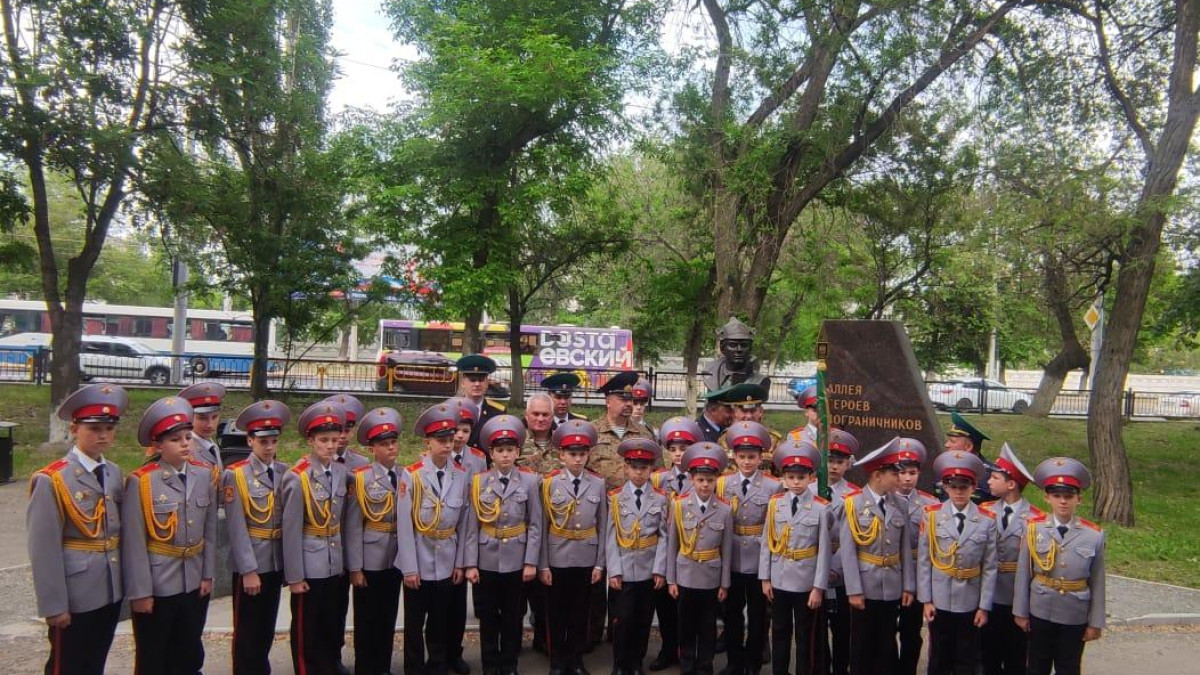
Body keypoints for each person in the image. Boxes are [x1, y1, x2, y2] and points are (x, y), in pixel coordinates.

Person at [28, 384, 128, 675]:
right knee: (67, 665)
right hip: (75, 593)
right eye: (94, 428)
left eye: (109, 429)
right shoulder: (52, 479)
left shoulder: (113, 472)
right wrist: (54, 605)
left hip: (108, 588)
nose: (103, 435)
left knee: (95, 662)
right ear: (74, 429)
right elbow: (43, 549)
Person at [123, 396, 218, 675]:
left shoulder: (204, 475)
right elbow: (134, 543)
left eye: (187, 437)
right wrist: (141, 591)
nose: (185, 444)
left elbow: (210, 530)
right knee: (153, 654)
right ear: (158, 445)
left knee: (189, 651)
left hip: (194, 578)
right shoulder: (142, 481)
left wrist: (207, 574)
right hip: (159, 582)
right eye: (176, 440)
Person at [396, 403, 472, 675]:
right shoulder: (412, 474)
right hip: (419, 557)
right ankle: (414, 667)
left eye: (450, 440)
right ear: (428, 442)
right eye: (441, 440)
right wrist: (409, 568)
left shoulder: (460, 475)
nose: (448, 445)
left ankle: (437, 664)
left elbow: (464, 523)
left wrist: (460, 563)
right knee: (415, 622)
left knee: (441, 619)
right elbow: (404, 525)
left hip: (447, 559)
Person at [463, 415, 543, 675]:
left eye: (510, 450)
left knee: (512, 616)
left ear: (518, 452)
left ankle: (509, 665)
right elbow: (472, 526)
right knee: (487, 616)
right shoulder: (479, 482)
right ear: (491, 453)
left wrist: (531, 562)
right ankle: (490, 665)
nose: (505, 455)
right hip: (486, 558)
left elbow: (535, 524)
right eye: (500, 450)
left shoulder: (530, 481)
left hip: (517, 559)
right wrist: (470, 564)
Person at [1013, 458, 1105, 675]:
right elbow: (1023, 573)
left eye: (1069, 496)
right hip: (1040, 608)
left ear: (1078, 499)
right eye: (1057, 496)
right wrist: (1020, 611)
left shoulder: (1093, 535)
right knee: (1037, 666)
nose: (1063, 501)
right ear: (1047, 498)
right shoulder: (1033, 529)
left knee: (1069, 667)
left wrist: (1095, 622)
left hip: (1074, 612)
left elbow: (1098, 580)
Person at [222, 400, 292, 675]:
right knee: (247, 631)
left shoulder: (284, 472)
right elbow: (236, 527)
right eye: (263, 441)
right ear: (250, 440)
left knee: (266, 628)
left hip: (275, 562)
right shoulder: (236, 475)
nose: (269, 447)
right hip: (252, 562)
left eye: (274, 441)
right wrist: (248, 571)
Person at [281, 401, 351, 675]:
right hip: (309, 563)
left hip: (333, 562)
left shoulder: (341, 472)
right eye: (324, 440)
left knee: (328, 624)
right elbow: (291, 530)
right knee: (306, 628)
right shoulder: (297, 477)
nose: (330, 446)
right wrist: (295, 576)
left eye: (334, 440)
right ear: (311, 441)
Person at [918, 450, 998, 675]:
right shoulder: (931, 515)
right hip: (940, 597)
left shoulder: (986, 520)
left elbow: (989, 566)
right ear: (945, 487)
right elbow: (924, 561)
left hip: (970, 599)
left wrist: (984, 606)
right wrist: (926, 600)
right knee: (939, 656)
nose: (959, 492)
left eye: (964, 487)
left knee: (966, 657)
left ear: (974, 487)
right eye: (954, 487)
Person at [840, 437, 916, 675]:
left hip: (892, 584)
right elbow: (848, 552)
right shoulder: (852, 504)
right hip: (865, 584)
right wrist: (853, 590)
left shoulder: (899, 504)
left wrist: (908, 585)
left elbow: (904, 548)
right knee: (862, 643)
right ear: (877, 475)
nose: (900, 478)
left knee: (887, 643)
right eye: (894, 473)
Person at [539, 419, 607, 675]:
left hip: (586, 557)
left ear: (588, 455)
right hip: (557, 557)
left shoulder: (598, 483)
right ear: (561, 455)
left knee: (581, 613)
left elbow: (603, 525)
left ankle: (576, 660)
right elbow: (542, 525)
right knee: (556, 614)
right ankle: (557, 662)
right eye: (572, 454)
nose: (577, 459)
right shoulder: (549, 483)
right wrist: (543, 565)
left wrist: (599, 564)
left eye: (582, 454)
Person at [716, 421, 783, 675]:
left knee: (758, 615)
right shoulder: (723, 484)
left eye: (751, 457)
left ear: (761, 457)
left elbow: (774, 527)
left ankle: (753, 663)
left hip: (758, 557)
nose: (746, 462)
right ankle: (734, 662)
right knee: (732, 613)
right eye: (742, 456)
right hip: (731, 556)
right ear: (734, 456)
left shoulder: (772, 486)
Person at [345, 407, 408, 675]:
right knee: (366, 618)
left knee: (388, 615)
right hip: (370, 557)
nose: (391, 448)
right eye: (384, 444)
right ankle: (365, 667)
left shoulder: (406, 475)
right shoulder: (360, 478)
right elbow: (353, 525)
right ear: (373, 449)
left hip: (396, 557)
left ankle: (382, 666)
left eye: (393, 442)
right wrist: (355, 567)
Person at [759, 439, 831, 675]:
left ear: (811, 477)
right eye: (791, 477)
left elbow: (823, 551)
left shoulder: (821, 508)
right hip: (779, 578)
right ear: (783, 478)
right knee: (780, 631)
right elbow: (767, 543)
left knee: (804, 635)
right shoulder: (775, 504)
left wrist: (818, 588)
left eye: (801, 477)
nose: (796, 482)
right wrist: (765, 578)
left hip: (805, 582)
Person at [665, 442, 733, 675]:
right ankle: (686, 664)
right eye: (700, 480)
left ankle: (705, 665)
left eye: (710, 480)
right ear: (691, 480)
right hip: (685, 574)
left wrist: (724, 584)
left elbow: (726, 549)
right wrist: (671, 580)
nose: (705, 485)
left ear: (716, 481)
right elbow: (672, 544)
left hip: (711, 576)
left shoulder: (725, 509)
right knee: (685, 624)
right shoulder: (679, 505)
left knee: (707, 625)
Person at [606, 437, 669, 675]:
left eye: (644, 467)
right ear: (626, 468)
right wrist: (614, 570)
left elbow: (664, 536)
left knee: (643, 620)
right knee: (622, 620)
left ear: (651, 469)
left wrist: (660, 569)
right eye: (634, 467)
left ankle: (636, 663)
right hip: (623, 569)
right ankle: (620, 664)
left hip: (648, 568)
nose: (639, 473)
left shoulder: (660, 498)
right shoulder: (615, 497)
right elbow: (611, 536)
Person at [647, 416, 703, 671]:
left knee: (690, 606)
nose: (679, 454)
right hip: (664, 549)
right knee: (665, 605)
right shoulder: (658, 479)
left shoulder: (702, 479)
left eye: (684, 448)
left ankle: (689, 652)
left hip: (692, 550)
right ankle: (668, 649)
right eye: (673, 449)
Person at [980, 443, 1040, 675]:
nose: (989, 482)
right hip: (989, 594)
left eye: (995, 478)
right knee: (988, 655)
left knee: (1016, 656)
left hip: (1018, 595)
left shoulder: (1035, 518)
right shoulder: (985, 511)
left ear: (1011, 484)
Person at [324, 394, 367, 675]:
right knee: (323, 610)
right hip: (321, 549)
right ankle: (322, 658)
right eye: (337, 429)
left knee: (342, 607)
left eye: (347, 428)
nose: (342, 435)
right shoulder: (308, 465)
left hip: (352, 548)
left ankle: (337, 655)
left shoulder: (361, 463)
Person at [446, 396, 489, 674]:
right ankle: (439, 653)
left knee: (459, 604)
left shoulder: (478, 459)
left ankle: (455, 651)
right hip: (443, 535)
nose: (459, 436)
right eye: (455, 430)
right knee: (441, 603)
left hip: (469, 534)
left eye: (465, 430)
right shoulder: (435, 456)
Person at [893, 438, 940, 675]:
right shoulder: (884, 500)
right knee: (886, 631)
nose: (907, 478)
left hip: (917, 573)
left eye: (912, 473)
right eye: (901, 473)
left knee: (911, 632)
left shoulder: (930, 505)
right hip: (890, 572)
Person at [817, 429, 860, 675]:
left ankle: (841, 669)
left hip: (842, 571)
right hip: (813, 570)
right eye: (830, 460)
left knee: (842, 628)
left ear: (848, 464)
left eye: (839, 462)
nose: (834, 466)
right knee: (817, 629)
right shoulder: (809, 490)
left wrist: (835, 568)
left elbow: (853, 537)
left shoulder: (854, 495)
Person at [517, 392, 557, 655]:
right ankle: (513, 643)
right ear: (527, 415)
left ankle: (544, 640)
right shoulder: (515, 443)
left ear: (552, 417)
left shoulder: (563, 444)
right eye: (536, 414)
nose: (541, 419)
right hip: (520, 529)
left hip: (553, 530)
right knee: (518, 594)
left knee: (546, 594)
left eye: (545, 414)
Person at [718, 383, 781, 473]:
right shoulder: (725, 439)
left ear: (761, 412)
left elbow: (781, 472)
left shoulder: (773, 439)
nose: (749, 416)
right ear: (735, 412)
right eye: (744, 411)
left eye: (753, 411)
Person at [701, 317, 770, 392]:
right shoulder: (710, 374)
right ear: (722, 348)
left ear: (750, 349)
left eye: (744, 345)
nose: (739, 349)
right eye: (733, 345)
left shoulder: (760, 380)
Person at [457, 354, 507, 448]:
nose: (477, 384)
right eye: (472, 380)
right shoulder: (453, 409)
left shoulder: (498, 412)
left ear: (487, 383)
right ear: (463, 383)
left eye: (481, 380)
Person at [943, 412, 993, 503]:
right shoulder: (944, 469)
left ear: (968, 447)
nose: (946, 445)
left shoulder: (989, 476)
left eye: (952, 441)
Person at [179, 381, 227, 469]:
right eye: (202, 418)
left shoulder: (211, 445)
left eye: (214, 417)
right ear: (188, 417)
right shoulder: (185, 450)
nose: (210, 425)